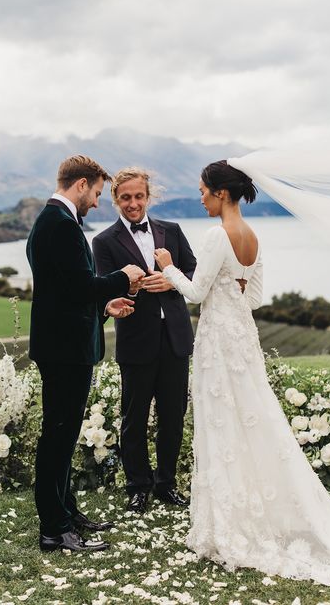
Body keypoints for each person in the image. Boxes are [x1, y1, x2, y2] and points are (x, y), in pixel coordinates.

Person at [154, 159, 330, 585]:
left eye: (202, 191)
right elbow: (254, 299)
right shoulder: (252, 236)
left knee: (222, 425)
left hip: (218, 342)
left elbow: (196, 293)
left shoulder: (217, 235)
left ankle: (231, 522)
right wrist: (230, 288)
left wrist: (167, 266)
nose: (199, 197)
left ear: (221, 193)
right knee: (253, 420)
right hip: (244, 340)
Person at [26, 155, 145, 553]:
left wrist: (104, 308)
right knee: (57, 438)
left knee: (62, 435)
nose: (97, 202)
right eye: (96, 193)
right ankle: (54, 529)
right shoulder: (58, 224)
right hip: (64, 351)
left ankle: (66, 513)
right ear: (80, 185)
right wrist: (122, 279)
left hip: (65, 345)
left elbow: (65, 293)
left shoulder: (57, 222)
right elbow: (80, 285)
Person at [92, 167, 196, 513]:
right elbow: (102, 287)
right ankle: (138, 486)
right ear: (115, 200)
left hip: (176, 338)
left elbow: (195, 271)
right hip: (137, 339)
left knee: (173, 415)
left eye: (139, 196)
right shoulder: (104, 242)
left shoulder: (173, 231)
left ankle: (166, 484)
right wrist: (126, 287)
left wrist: (172, 279)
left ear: (148, 197)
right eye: (126, 198)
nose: (133, 204)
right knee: (133, 418)